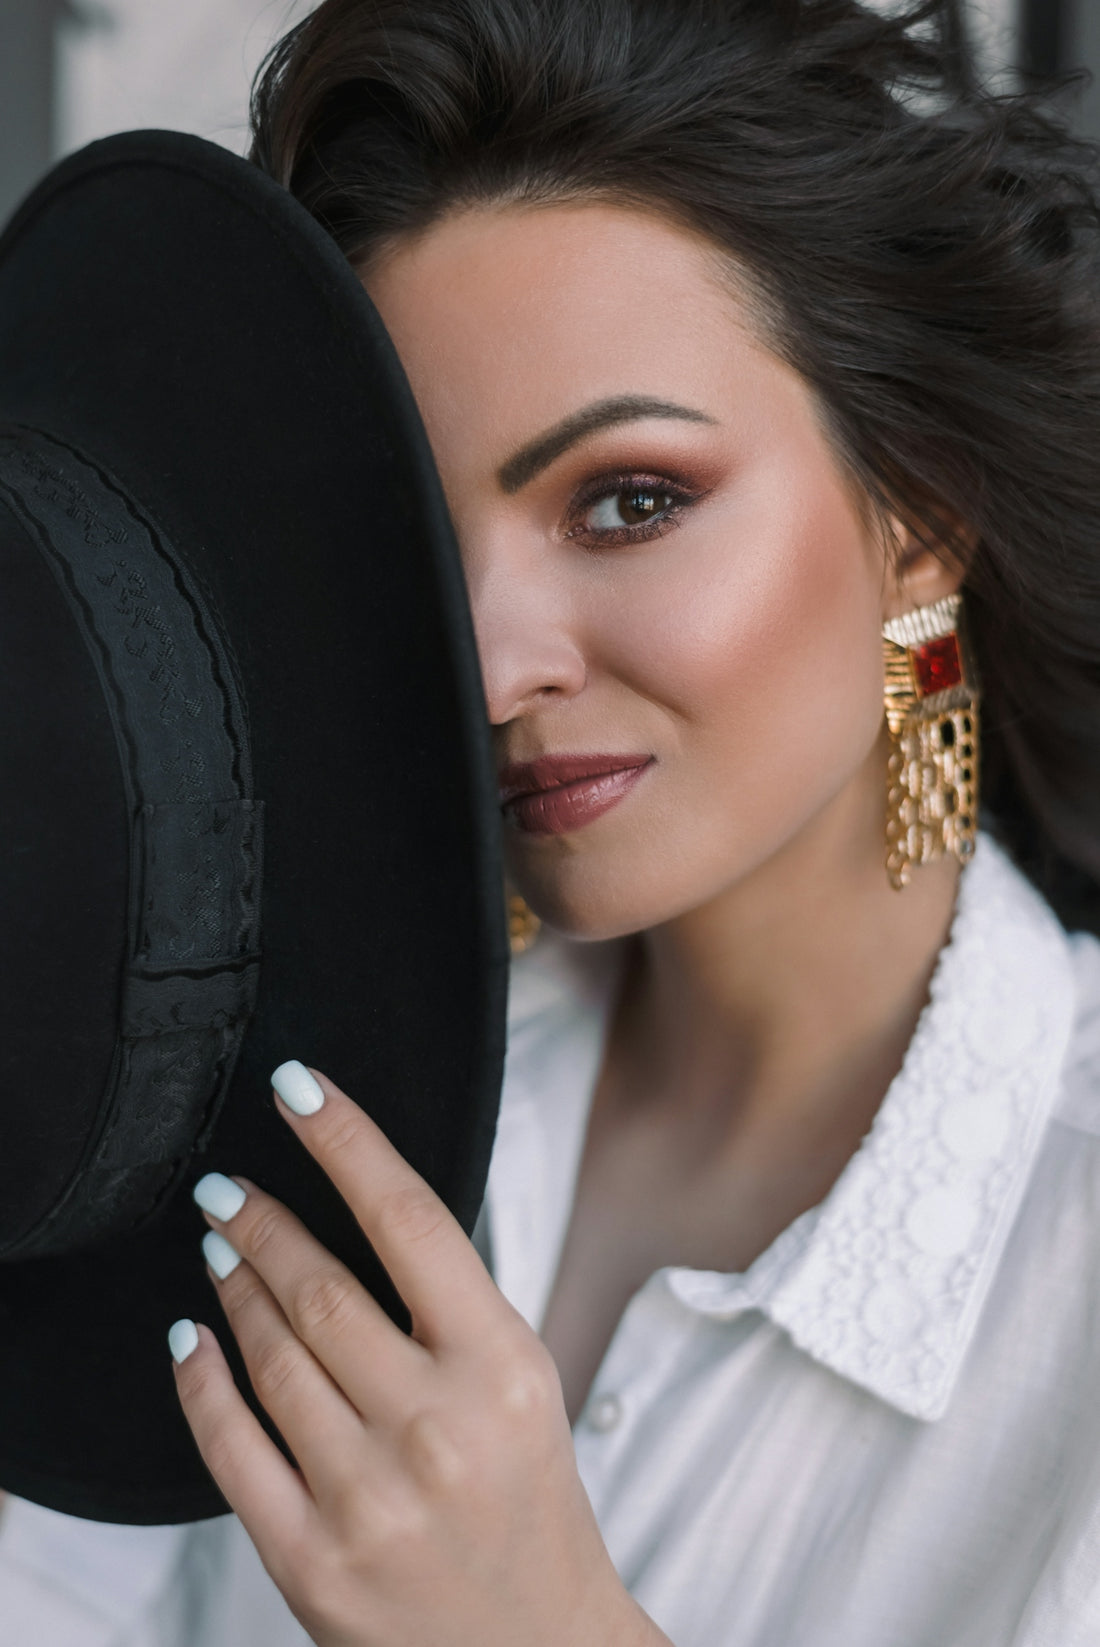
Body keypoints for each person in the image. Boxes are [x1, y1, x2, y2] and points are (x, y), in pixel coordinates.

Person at [4, 0, 1100, 1642]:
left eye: (630, 502)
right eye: (423, 557)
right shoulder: (265, 1079)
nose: (498, 666)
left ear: (920, 520)